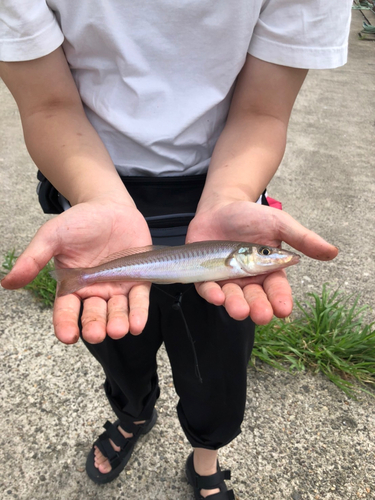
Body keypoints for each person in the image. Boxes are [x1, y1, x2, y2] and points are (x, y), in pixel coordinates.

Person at [0, 1, 352, 498]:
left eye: (267, 260)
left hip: (224, 192)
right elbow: (47, 105)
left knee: (218, 371)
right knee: (119, 346)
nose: (274, 261)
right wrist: (97, 197)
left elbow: (261, 111)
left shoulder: (236, 252)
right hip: (91, 188)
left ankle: (205, 455)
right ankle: (132, 415)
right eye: (270, 260)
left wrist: (231, 197)